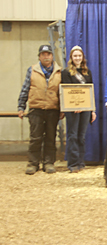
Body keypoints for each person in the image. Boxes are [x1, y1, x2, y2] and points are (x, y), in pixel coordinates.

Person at [18, 45, 64, 175]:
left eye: (48, 54)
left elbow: (62, 92)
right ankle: (33, 163)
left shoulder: (60, 72)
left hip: (52, 109)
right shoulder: (32, 70)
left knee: (50, 137)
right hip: (35, 109)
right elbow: (25, 89)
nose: (46, 56)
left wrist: (63, 109)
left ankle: (48, 163)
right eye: (43, 54)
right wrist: (21, 106)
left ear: (52, 56)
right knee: (35, 137)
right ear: (39, 56)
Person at [61, 45, 96, 173]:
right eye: (75, 56)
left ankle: (81, 162)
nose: (77, 58)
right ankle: (73, 163)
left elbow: (90, 91)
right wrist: (75, 105)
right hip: (73, 109)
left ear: (82, 58)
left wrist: (93, 110)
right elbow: (67, 91)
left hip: (86, 108)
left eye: (79, 56)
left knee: (81, 136)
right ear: (71, 57)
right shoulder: (66, 72)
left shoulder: (87, 72)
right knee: (73, 135)